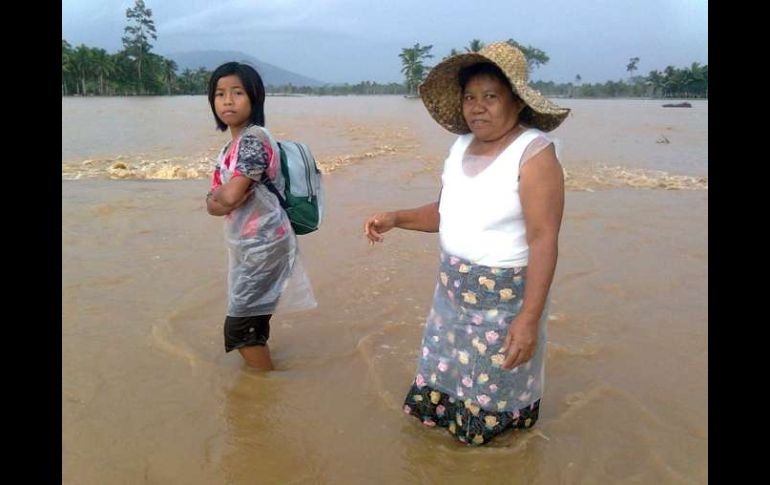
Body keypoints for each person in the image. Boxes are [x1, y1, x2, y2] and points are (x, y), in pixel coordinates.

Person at [363, 42, 570, 445]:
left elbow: (544, 239)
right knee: (442, 404)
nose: (477, 107)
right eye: (470, 98)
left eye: (490, 97)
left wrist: (528, 320)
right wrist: (395, 218)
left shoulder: (534, 153)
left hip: (504, 303)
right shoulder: (459, 147)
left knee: (493, 408)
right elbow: (446, 213)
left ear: (517, 101)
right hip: (451, 299)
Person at [206, 62, 315, 370]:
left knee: (241, 328)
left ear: (254, 98)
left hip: (266, 246)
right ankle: (265, 382)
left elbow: (226, 196)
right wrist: (221, 199)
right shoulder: (231, 147)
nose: (227, 100)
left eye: (237, 92)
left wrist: (223, 198)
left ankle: (265, 393)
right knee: (250, 321)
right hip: (250, 247)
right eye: (220, 94)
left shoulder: (253, 140)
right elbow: (213, 204)